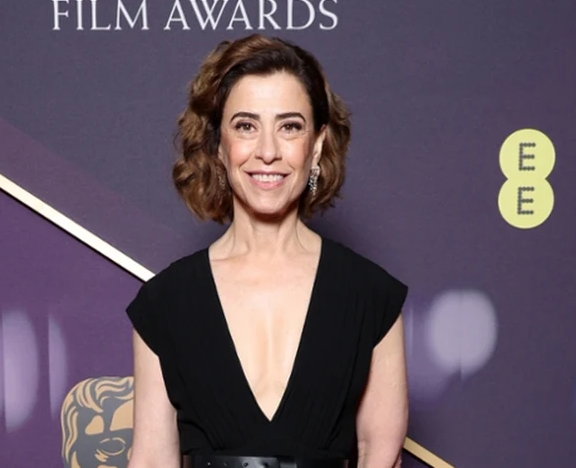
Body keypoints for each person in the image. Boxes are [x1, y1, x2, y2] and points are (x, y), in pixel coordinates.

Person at [126, 34, 409, 468]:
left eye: (289, 126)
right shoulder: (165, 302)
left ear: (317, 144)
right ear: (218, 145)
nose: (268, 152)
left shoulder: (371, 296)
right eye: (246, 126)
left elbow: (380, 455)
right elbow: (151, 459)